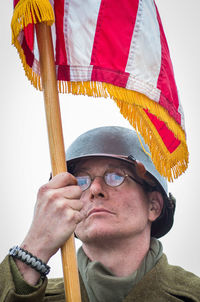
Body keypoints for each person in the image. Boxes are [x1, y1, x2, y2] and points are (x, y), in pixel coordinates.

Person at [0, 126, 200, 301]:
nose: (95, 189)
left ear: (153, 206)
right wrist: (35, 247)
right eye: (81, 181)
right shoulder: (31, 297)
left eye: (115, 176)